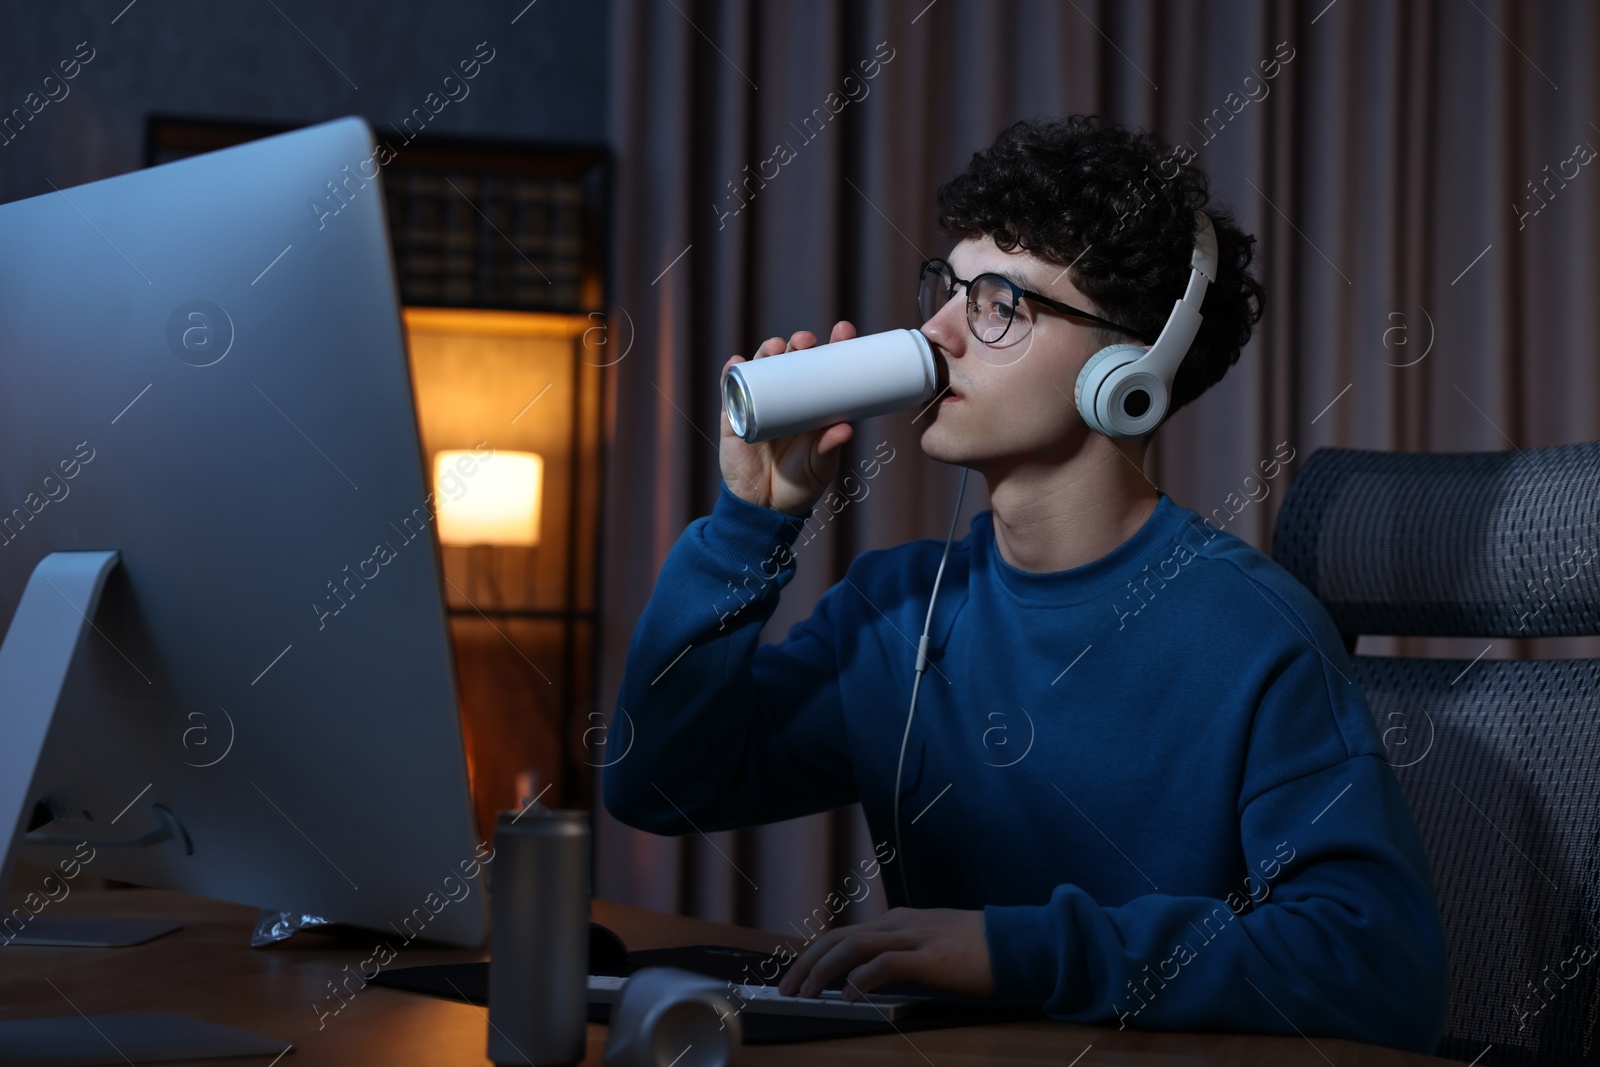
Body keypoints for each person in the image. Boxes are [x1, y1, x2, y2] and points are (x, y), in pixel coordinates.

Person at [603, 115, 1450, 1054]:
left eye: (999, 302)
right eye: (948, 287)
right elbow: (657, 783)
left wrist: (1026, 948)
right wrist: (749, 522)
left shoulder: (1253, 634)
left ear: (1128, 372)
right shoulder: (899, 611)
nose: (936, 330)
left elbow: (1380, 969)